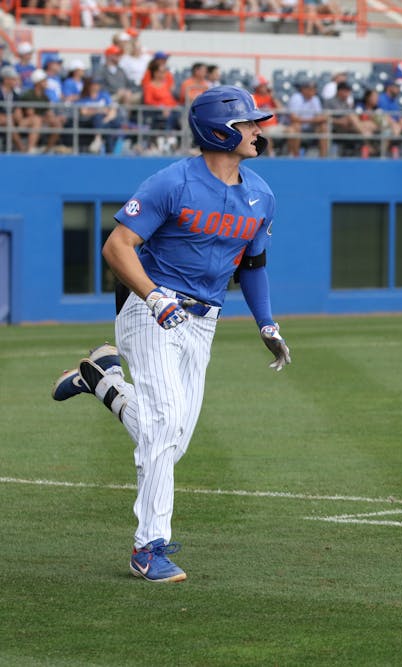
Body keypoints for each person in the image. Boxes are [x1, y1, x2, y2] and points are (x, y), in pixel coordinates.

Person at [50, 85, 291, 583]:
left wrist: (266, 322)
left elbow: (254, 265)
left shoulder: (260, 194)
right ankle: (148, 547)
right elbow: (117, 246)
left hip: (203, 319)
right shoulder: (172, 182)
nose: (257, 129)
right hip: (148, 307)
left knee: (174, 437)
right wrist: (153, 296)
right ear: (218, 129)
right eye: (247, 122)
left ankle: (104, 383)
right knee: (161, 427)